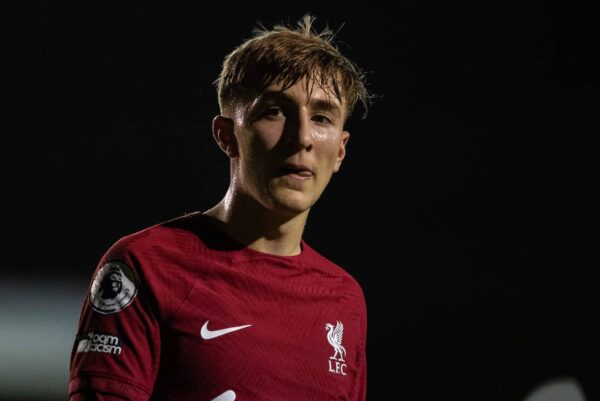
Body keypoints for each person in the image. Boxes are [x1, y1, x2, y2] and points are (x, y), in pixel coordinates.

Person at [69, 14, 370, 401]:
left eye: (321, 117)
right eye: (274, 111)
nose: (301, 138)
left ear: (341, 150)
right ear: (227, 136)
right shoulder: (146, 266)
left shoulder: (346, 300)